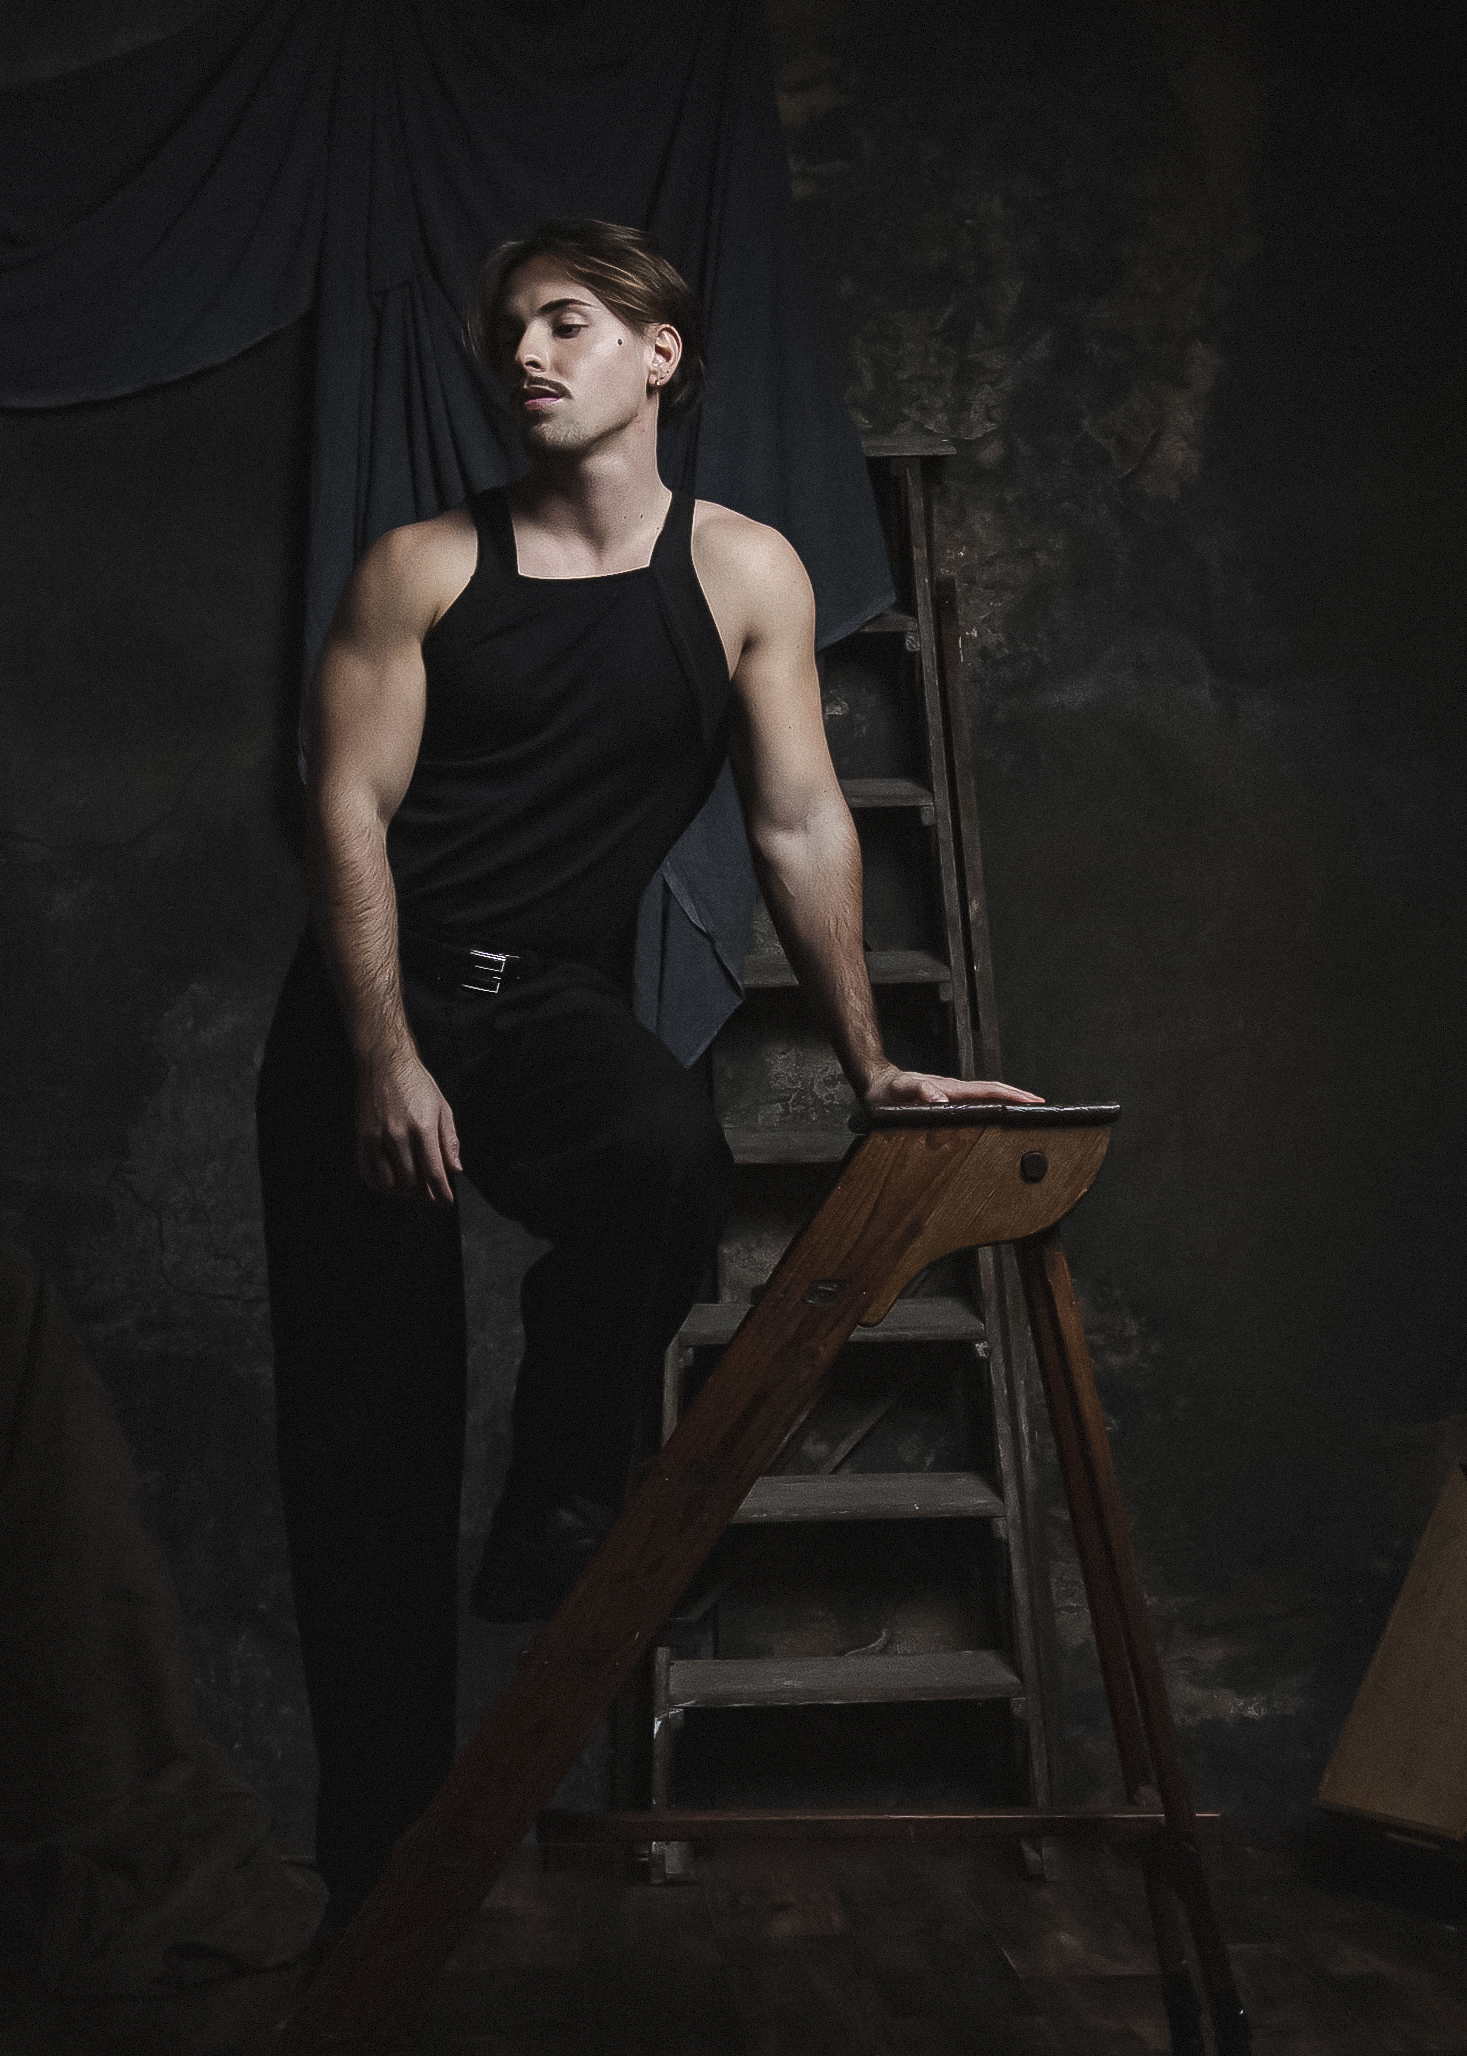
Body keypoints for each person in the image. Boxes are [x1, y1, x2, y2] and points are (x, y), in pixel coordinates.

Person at [257, 217, 1036, 1936]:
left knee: (666, 1152)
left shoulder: (745, 572)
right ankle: (374, 1893)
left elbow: (797, 816)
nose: (528, 355)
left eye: (568, 322)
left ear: (657, 353)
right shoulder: (420, 568)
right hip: (368, 1014)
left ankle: (559, 1492)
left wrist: (872, 1061)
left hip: (545, 1002)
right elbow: (344, 814)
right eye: (512, 335)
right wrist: (382, 1056)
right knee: (366, 1461)